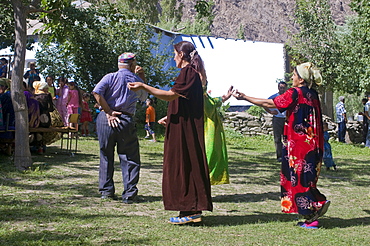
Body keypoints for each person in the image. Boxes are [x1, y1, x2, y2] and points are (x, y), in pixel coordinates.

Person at [232, 62, 330, 229]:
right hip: (312, 143)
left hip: (299, 144)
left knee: (298, 180)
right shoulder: (312, 94)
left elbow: (271, 104)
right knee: (307, 178)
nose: (292, 78)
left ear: (300, 79)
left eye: (293, 75)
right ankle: (312, 212)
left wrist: (245, 97)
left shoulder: (295, 93)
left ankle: (316, 206)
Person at [128, 41, 213, 225]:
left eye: (175, 54)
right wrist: (172, 115)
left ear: (181, 55)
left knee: (186, 164)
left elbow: (170, 95)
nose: (173, 57)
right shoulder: (189, 73)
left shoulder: (188, 72)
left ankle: (192, 209)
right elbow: (184, 101)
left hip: (186, 130)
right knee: (183, 164)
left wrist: (144, 87)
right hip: (181, 125)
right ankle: (188, 210)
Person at [93, 52, 147, 203]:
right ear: (131, 65)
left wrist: (109, 112)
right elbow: (144, 97)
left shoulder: (109, 77)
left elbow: (96, 92)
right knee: (129, 157)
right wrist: (142, 77)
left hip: (105, 118)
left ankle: (106, 191)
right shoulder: (135, 79)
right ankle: (129, 194)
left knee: (105, 154)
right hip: (125, 119)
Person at [203, 86, 234, 185]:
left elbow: (215, 101)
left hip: (211, 132)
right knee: (208, 156)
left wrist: (226, 96)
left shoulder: (206, 97)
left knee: (212, 155)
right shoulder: (200, 97)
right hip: (205, 131)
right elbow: (211, 105)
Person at [265, 82, 288, 162]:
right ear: (278, 88)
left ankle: (287, 155)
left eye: (283, 87)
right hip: (277, 119)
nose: (282, 89)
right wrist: (270, 112)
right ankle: (279, 156)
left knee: (287, 138)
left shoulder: (288, 97)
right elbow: (265, 104)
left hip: (286, 119)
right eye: (280, 87)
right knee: (278, 138)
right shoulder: (274, 97)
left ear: (286, 88)